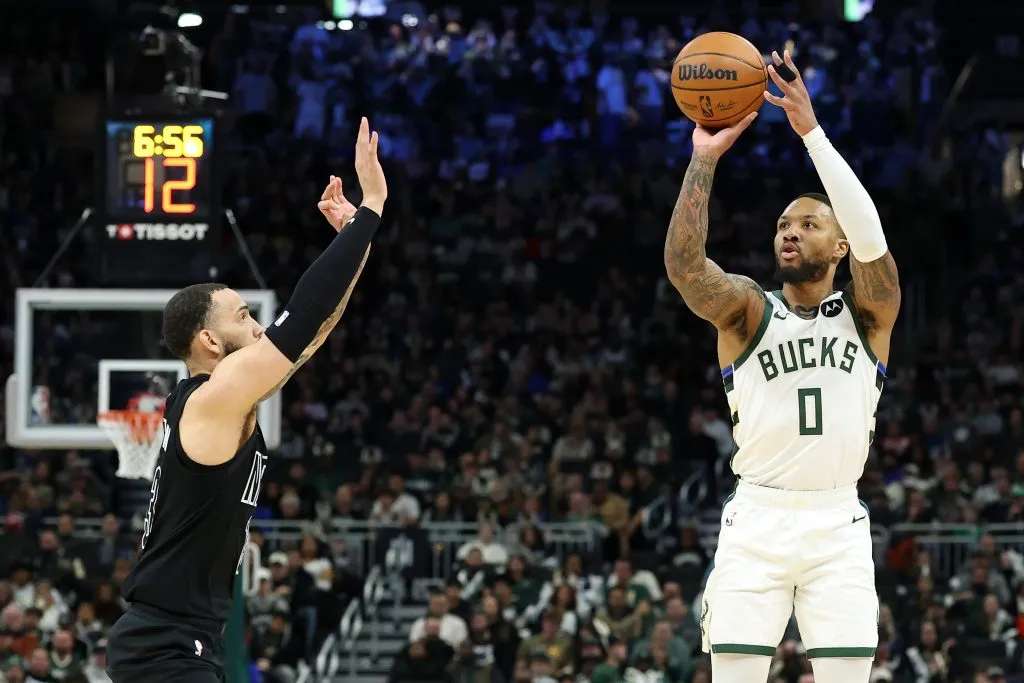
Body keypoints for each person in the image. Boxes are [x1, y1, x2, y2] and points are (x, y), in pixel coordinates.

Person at [104, 118, 388, 683]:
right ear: (209, 341)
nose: (258, 327)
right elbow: (301, 317)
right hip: (161, 649)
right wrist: (374, 203)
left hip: (179, 644)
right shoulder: (211, 400)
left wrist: (354, 236)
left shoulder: (227, 400)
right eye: (243, 316)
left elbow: (315, 329)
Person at [663, 51, 901, 683]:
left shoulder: (871, 313)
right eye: (783, 224)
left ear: (840, 243)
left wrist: (812, 134)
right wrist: (703, 159)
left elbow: (874, 243)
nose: (789, 232)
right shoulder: (746, 310)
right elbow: (686, 271)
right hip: (757, 520)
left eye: (809, 223)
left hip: (838, 523)